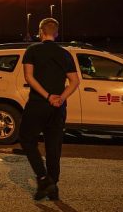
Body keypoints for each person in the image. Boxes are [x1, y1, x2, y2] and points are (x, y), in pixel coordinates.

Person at [19, 18, 80, 201]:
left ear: (40, 31)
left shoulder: (32, 50)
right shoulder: (65, 54)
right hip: (58, 108)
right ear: (57, 33)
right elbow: (75, 81)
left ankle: (43, 178)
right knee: (54, 147)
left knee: (26, 138)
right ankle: (53, 186)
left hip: (38, 104)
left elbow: (29, 77)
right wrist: (61, 97)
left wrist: (47, 96)